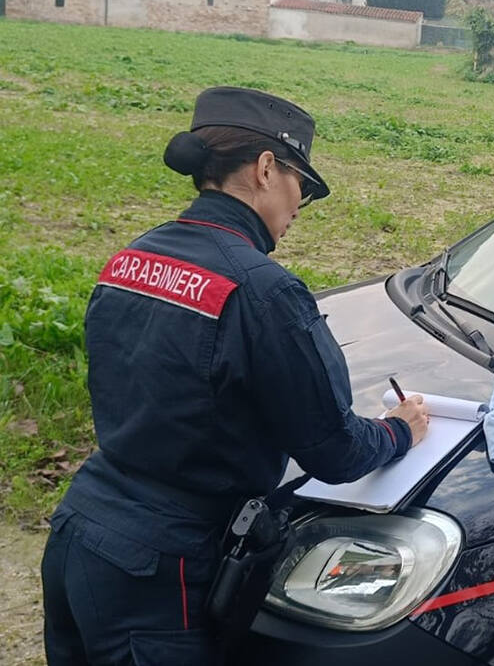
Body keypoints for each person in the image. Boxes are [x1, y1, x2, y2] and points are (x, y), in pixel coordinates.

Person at [41, 86, 431, 666]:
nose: (301, 205)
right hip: (158, 570)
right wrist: (400, 429)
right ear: (267, 169)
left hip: (78, 529)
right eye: (304, 184)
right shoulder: (264, 291)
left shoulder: (133, 257)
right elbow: (336, 452)